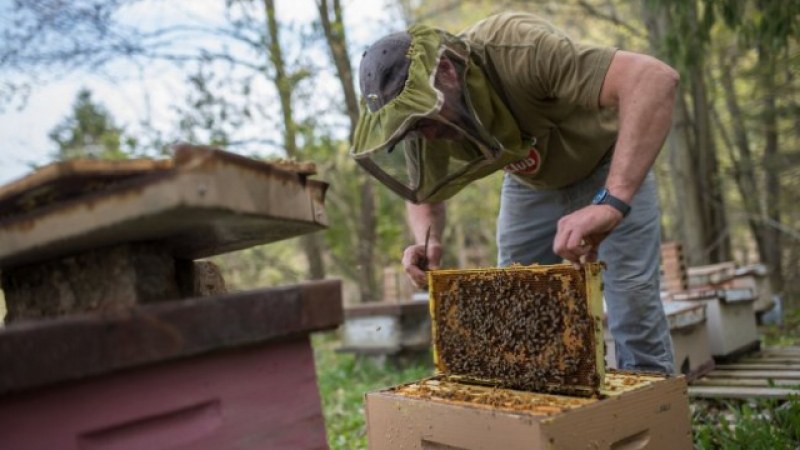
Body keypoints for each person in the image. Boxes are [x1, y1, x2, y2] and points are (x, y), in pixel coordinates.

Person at [350, 12, 677, 374]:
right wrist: (428, 240)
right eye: (412, 130)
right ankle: (555, 416)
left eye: (425, 122)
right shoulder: (424, 121)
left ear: (446, 70)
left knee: (632, 301)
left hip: (607, 164)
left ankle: (654, 416)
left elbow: (652, 79)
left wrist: (613, 199)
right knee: (519, 303)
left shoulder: (515, 48)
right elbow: (423, 189)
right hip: (528, 184)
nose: (426, 137)